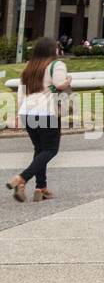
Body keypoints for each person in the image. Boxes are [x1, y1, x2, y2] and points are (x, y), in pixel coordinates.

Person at [7, 38, 71, 202]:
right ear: (52, 50)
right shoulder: (56, 65)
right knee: (50, 150)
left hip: (27, 112)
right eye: (56, 47)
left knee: (40, 149)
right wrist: (68, 82)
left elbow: (21, 93)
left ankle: (41, 188)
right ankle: (21, 178)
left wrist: (18, 112)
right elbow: (59, 85)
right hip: (46, 112)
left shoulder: (29, 67)